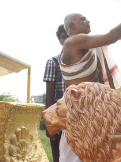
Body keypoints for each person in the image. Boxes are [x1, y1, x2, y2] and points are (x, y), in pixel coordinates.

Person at [57, 3, 121, 162]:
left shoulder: (85, 44)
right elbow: (112, 37)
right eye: (83, 19)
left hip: (92, 110)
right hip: (82, 112)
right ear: (71, 26)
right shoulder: (73, 41)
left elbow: (115, 37)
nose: (88, 21)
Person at [42, 24, 68, 162]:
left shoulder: (83, 62)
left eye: (69, 36)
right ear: (60, 40)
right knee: (58, 155)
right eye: (63, 37)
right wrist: (49, 122)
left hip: (78, 116)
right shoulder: (53, 62)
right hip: (59, 115)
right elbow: (50, 94)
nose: (66, 39)